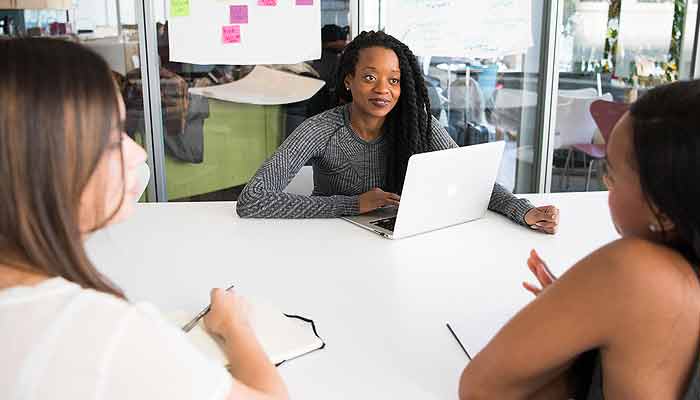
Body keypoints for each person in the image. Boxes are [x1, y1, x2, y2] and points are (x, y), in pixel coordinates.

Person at [0, 38, 287, 400]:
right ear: (44, 164)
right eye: (110, 140)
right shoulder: (102, 335)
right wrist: (235, 325)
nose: (136, 151)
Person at [458, 80, 700, 399]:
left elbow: (480, 388)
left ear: (662, 207)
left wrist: (578, 330)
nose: (605, 184)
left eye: (611, 175)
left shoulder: (635, 271)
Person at [237, 31, 559, 234]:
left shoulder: (416, 125)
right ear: (349, 80)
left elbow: (471, 180)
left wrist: (523, 210)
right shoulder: (321, 130)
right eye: (369, 77)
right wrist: (351, 204)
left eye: (393, 80)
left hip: (396, 242)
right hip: (329, 244)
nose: (383, 90)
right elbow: (252, 200)